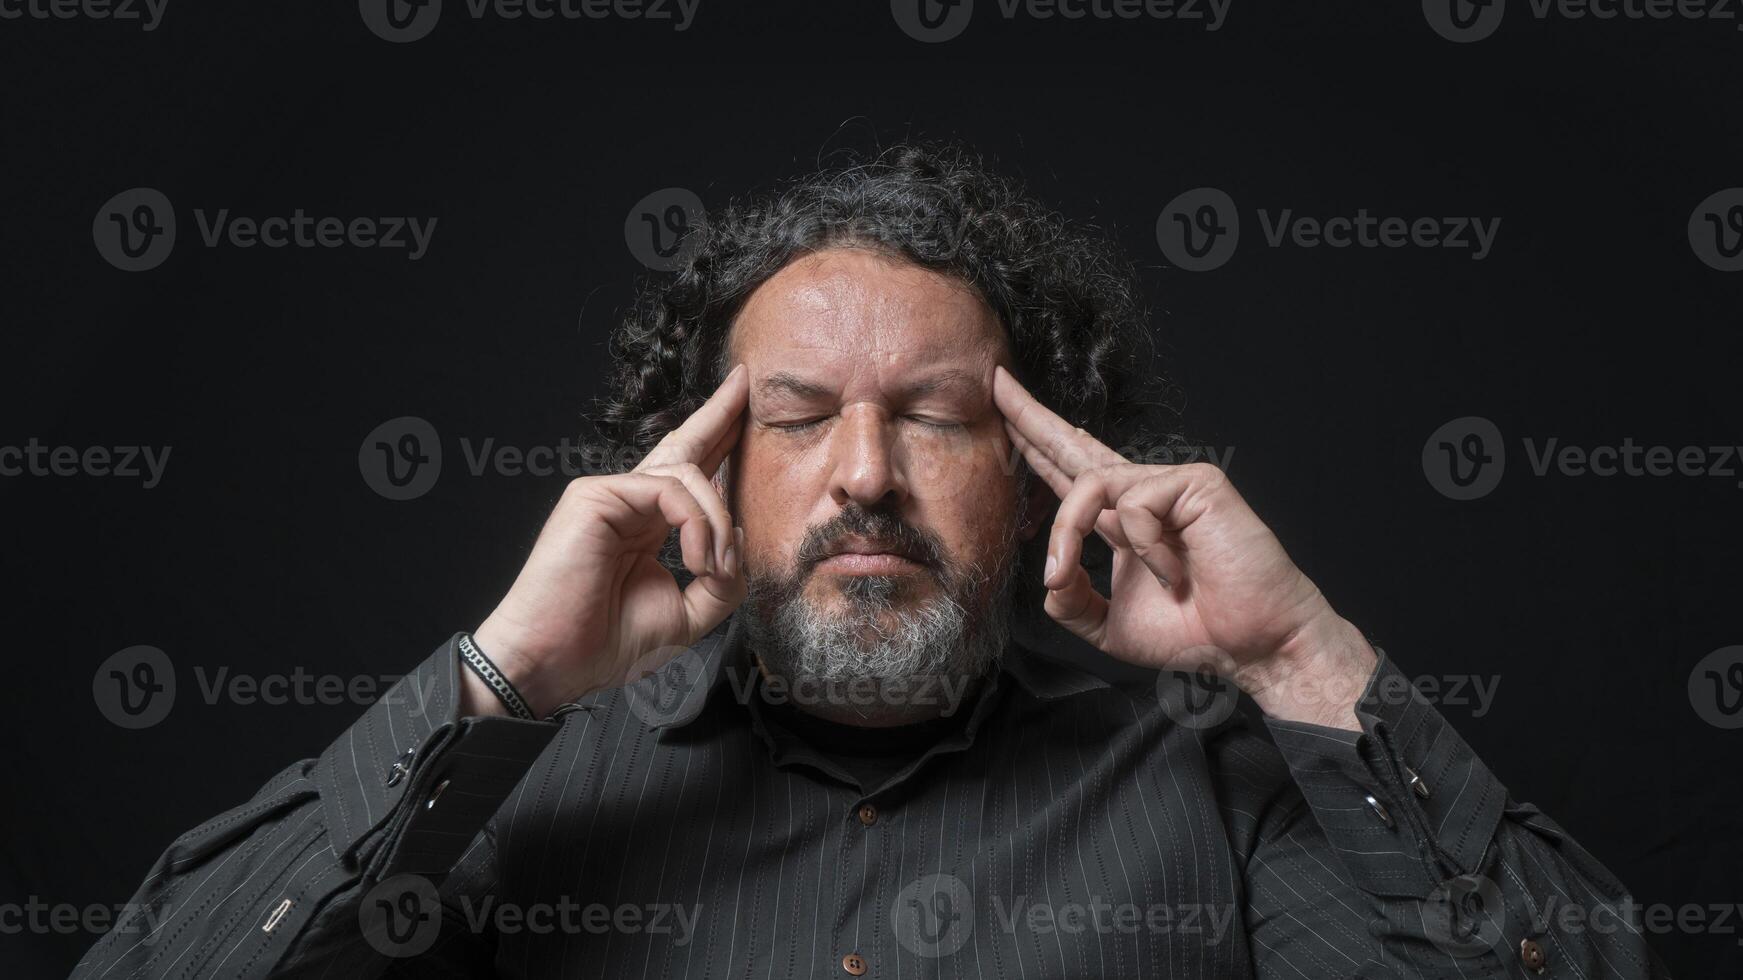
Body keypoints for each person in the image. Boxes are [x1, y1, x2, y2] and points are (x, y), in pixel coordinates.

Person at [73, 144, 1669, 978]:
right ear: (707, 462)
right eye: (798, 418)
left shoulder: (1208, 785)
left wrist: (1297, 659)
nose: (864, 477)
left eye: (936, 418)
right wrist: (497, 684)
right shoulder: (535, 788)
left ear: (1041, 469)